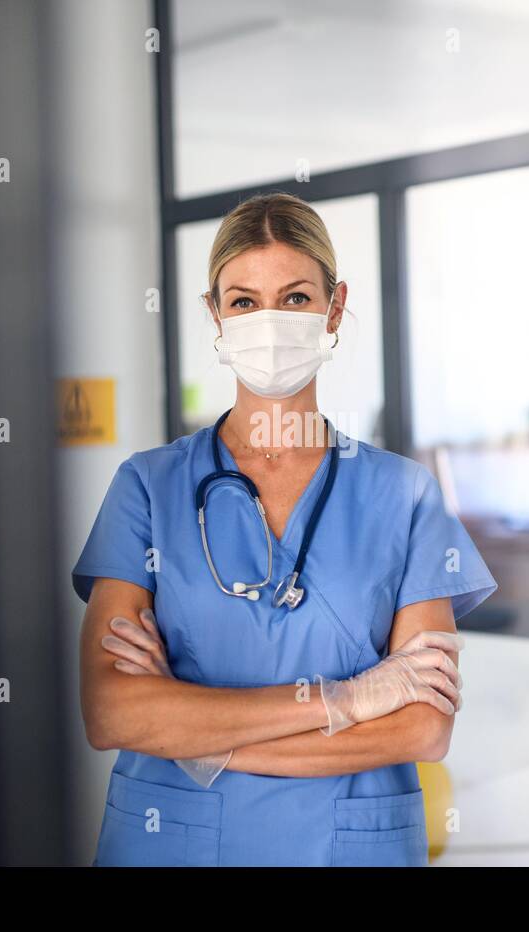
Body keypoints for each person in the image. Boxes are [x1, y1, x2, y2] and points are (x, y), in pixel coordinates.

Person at [73, 191, 497, 866]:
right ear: (214, 313)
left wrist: (199, 738)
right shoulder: (147, 487)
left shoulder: (405, 495)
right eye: (243, 301)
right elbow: (114, 714)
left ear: (334, 305)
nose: (268, 321)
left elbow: (422, 727)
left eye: (295, 298)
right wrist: (350, 700)